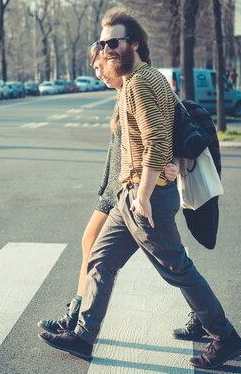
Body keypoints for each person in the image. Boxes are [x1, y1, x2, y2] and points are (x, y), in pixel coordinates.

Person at [39, 7, 241, 370]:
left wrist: (145, 195)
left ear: (134, 43)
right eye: (102, 44)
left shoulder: (140, 83)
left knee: (177, 269)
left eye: (114, 42)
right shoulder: (138, 81)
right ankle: (85, 336)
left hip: (144, 196)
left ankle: (224, 335)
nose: (106, 50)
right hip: (128, 196)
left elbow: (158, 141)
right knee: (101, 260)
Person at [37, 43, 179, 335]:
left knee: (169, 262)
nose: (98, 71)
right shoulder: (121, 93)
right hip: (115, 189)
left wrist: (173, 161)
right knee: (93, 248)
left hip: (130, 190)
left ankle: (77, 318)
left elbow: (165, 129)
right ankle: (77, 318)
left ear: (117, 60)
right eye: (94, 67)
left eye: (101, 64)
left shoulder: (137, 86)